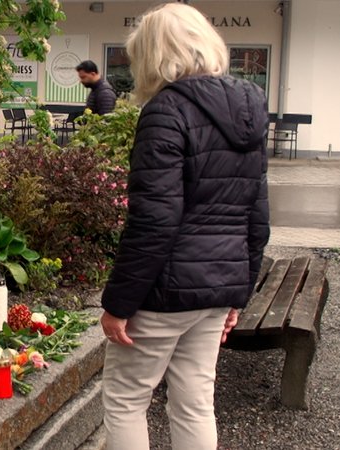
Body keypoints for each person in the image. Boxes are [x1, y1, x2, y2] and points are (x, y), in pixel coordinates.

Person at [99, 4, 269, 450]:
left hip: (163, 293)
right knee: (195, 403)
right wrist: (238, 293)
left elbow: (154, 219)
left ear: (152, 56)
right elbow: (257, 217)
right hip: (216, 290)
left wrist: (118, 303)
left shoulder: (166, 110)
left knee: (125, 400)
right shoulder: (250, 112)